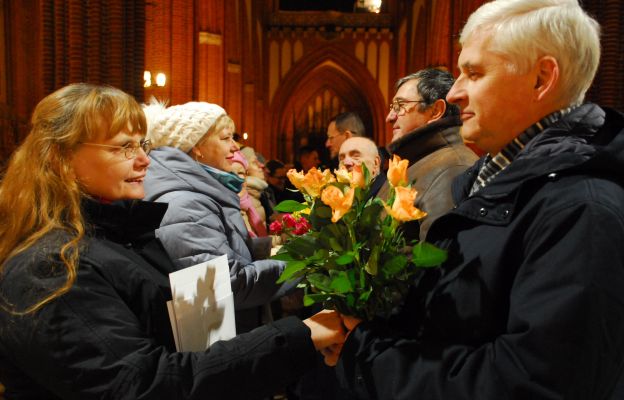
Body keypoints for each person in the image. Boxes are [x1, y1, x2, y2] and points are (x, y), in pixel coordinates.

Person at [333, 1, 624, 399]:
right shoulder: (493, 180)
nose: (454, 93)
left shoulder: (581, 209)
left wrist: (371, 358)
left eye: (474, 73)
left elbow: (527, 383)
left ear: (541, 79)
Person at [0, 83, 346, 399]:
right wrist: (298, 338)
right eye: (124, 147)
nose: (144, 159)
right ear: (62, 160)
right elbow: (143, 384)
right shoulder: (51, 266)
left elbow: (186, 338)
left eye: (142, 144)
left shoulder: (122, 233)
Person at [142, 101, 290, 333]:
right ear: (197, 146)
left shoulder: (197, 191)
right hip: (220, 335)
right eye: (225, 138)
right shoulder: (185, 204)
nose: (235, 148)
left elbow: (221, 248)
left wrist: (273, 246)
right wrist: (298, 266)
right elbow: (224, 285)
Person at [378, 67, 478, 241]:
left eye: (400, 106)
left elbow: (438, 258)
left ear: (435, 111)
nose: (389, 117)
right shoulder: (416, 161)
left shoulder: (453, 167)